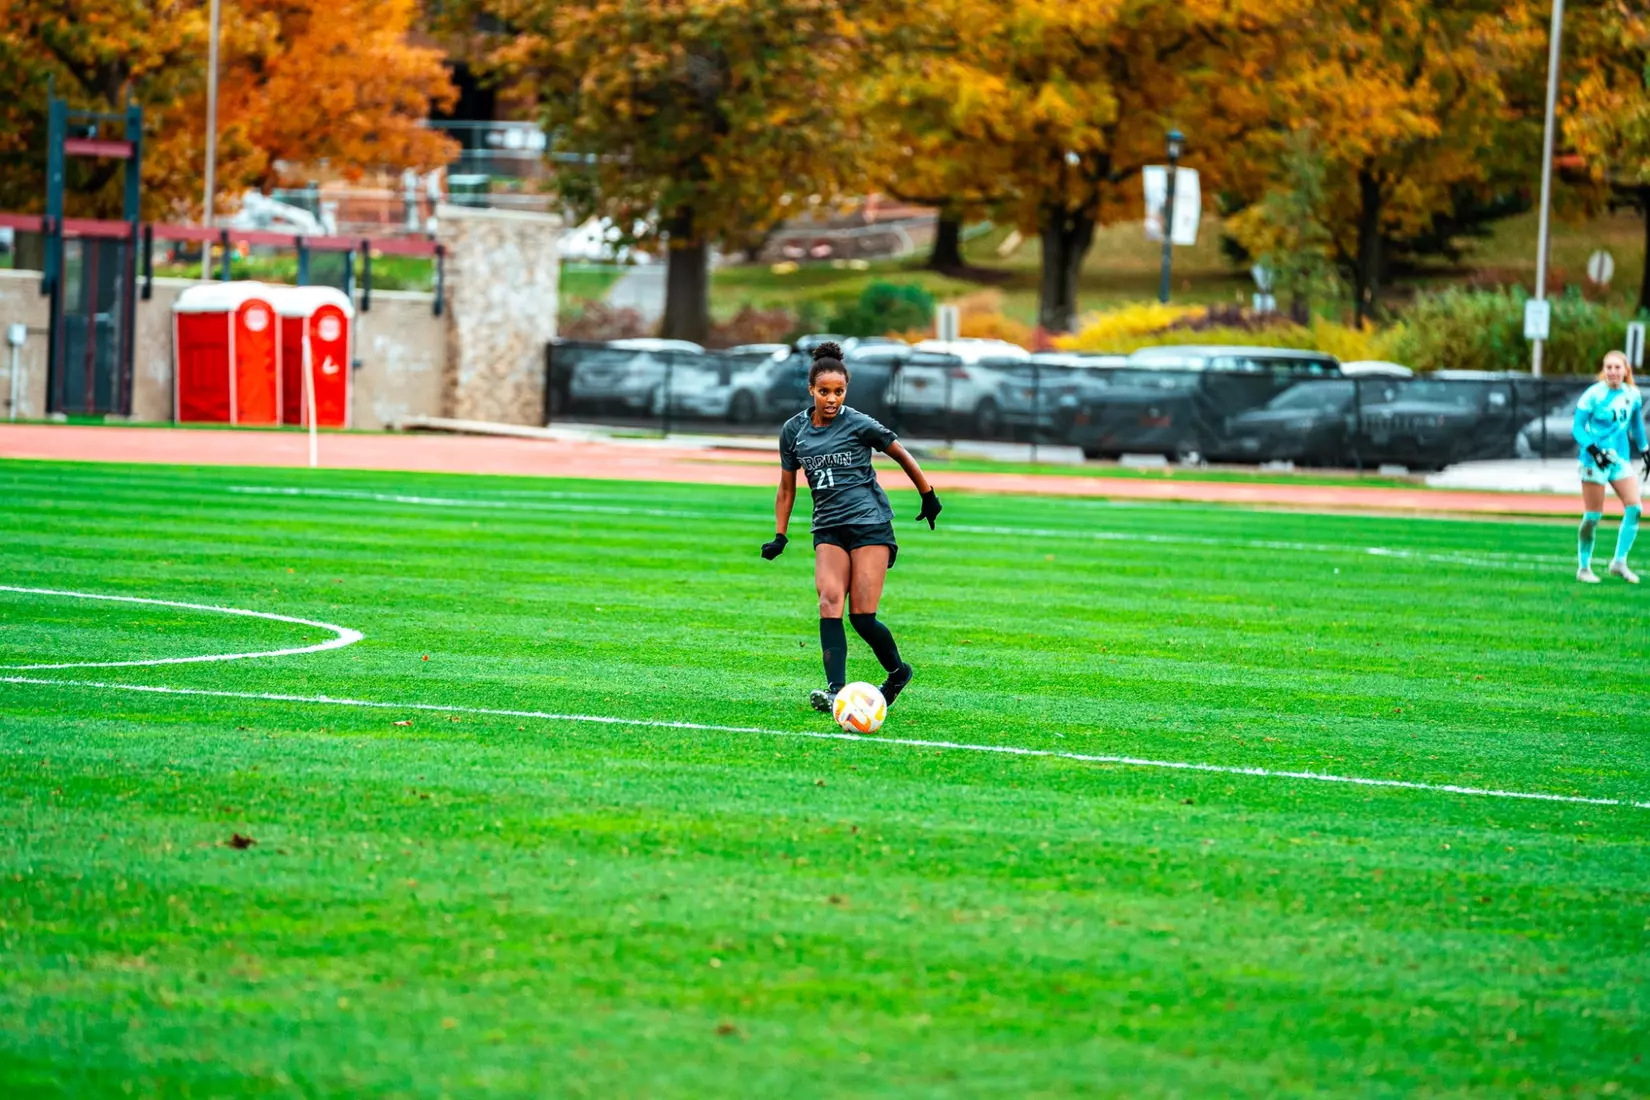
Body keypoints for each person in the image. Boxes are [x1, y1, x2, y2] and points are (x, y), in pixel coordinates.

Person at [762, 342, 942, 714]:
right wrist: (780, 534)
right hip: (827, 527)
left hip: (869, 524)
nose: (831, 398)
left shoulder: (859, 423)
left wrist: (928, 495)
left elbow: (901, 453)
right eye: (824, 391)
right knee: (829, 601)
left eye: (839, 391)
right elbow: (786, 486)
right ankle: (836, 691)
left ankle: (897, 673)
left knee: (862, 617)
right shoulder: (793, 431)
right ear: (811, 389)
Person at [1573, 349, 1645, 584]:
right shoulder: (1593, 395)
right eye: (1609, 367)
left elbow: (1636, 425)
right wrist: (1593, 449)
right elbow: (1577, 428)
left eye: (1617, 367)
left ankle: (1619, 562)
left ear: (1626, 370)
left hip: (1619, 459)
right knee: (1593, 515)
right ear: (1604, 371)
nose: (1613, 371)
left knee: (1635, 508)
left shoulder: (1633, 394)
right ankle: (1584, 567)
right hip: (1593, 460)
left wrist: (1645, 450)